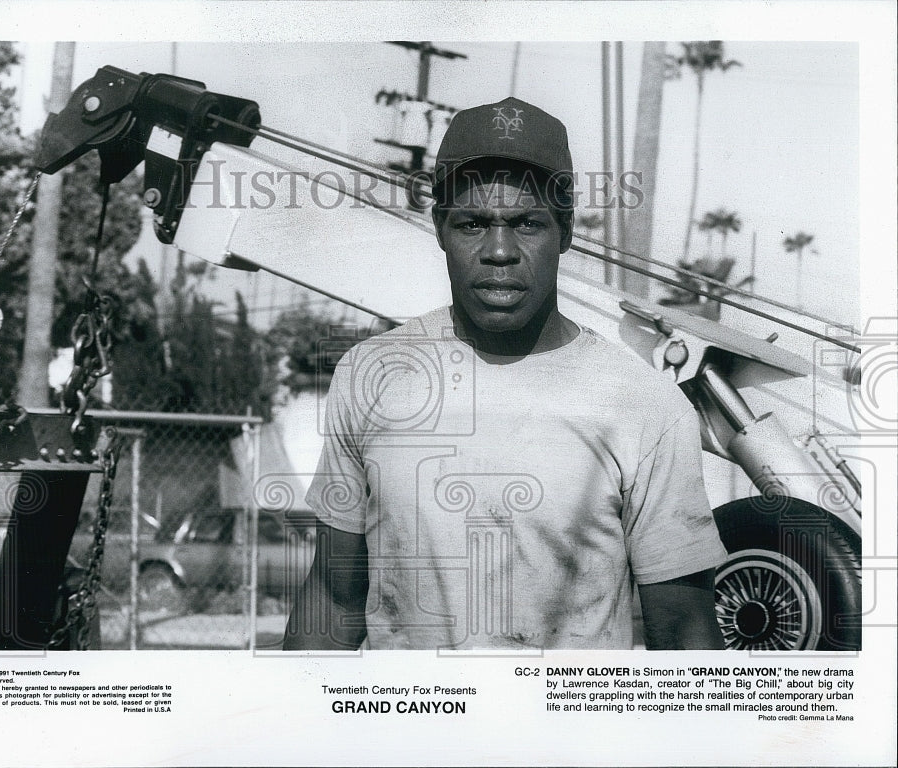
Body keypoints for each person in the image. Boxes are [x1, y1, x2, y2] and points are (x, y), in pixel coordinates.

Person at [283, 97, 727, 650]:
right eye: (473, 223)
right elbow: (333, 599)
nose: (499, 251)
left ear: (565, 232)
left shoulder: (643, 404)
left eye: (526, 224)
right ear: (440, 228)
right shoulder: (374, 375)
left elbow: (684, 633)